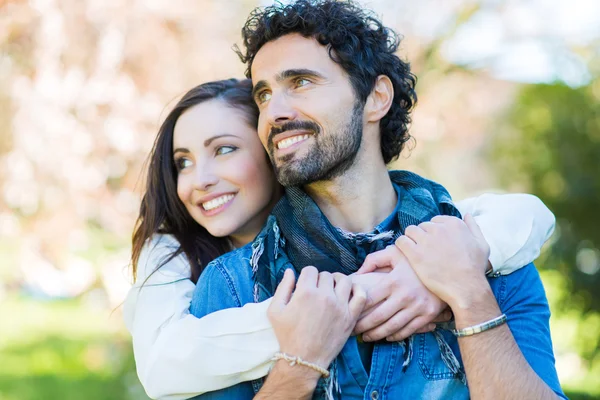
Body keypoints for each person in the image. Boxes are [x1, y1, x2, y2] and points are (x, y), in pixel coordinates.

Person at [188, 1, 566, 399]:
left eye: (300, 82)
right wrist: (299, 368)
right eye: (263, 95)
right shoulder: (234, 285)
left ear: (376, 97)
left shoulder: (484, 256)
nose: (273, 112)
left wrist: (470, 297)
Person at [123, 79, 556, 399]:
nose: (200, 180)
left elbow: (520, 215)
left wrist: (434, 276)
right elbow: (163, 366)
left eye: (224, 149)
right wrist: (317, 327)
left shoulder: (427, 232)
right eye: (182, 161)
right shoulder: (183, 261)